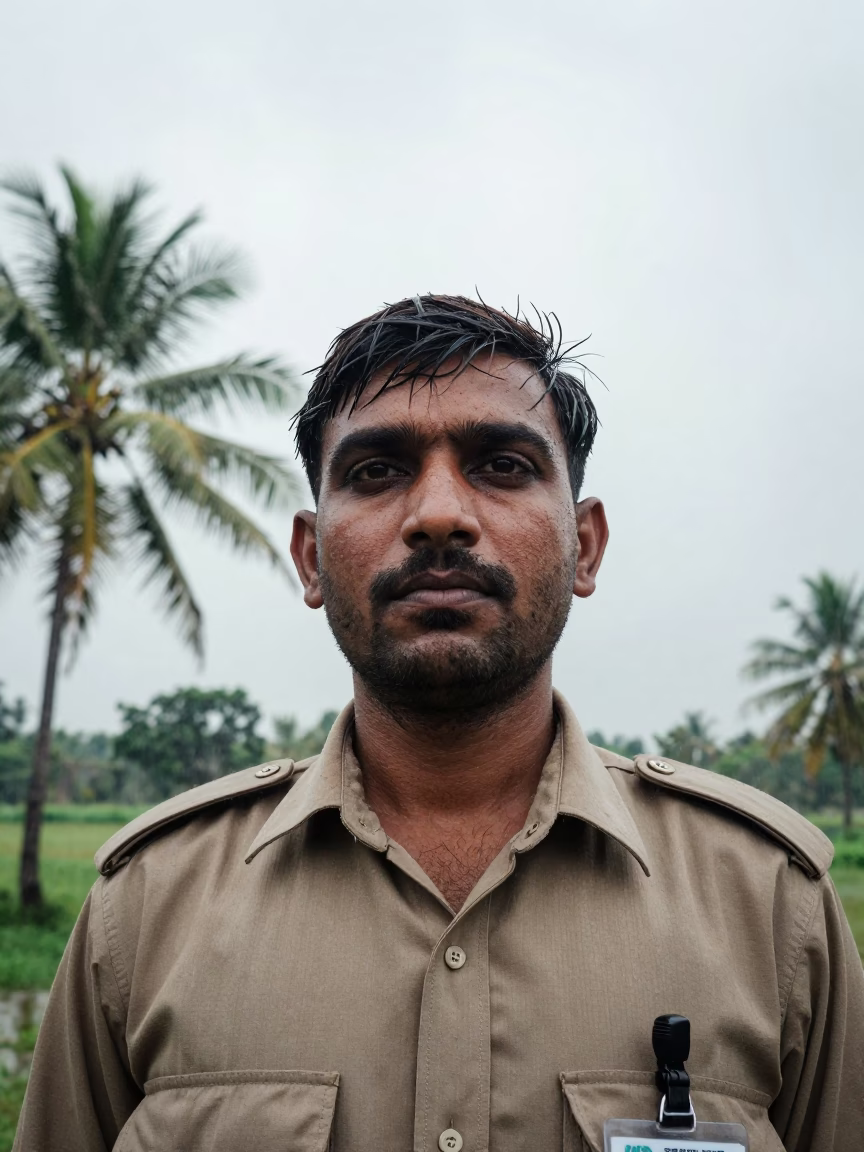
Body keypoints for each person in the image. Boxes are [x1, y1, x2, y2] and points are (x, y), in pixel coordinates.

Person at [15, 295, 863, 1152]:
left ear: (585, 545)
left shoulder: (770, 905)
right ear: (311, 558)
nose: (439, 515)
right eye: (376, 471)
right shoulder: (144, 908)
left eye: (502, 465)